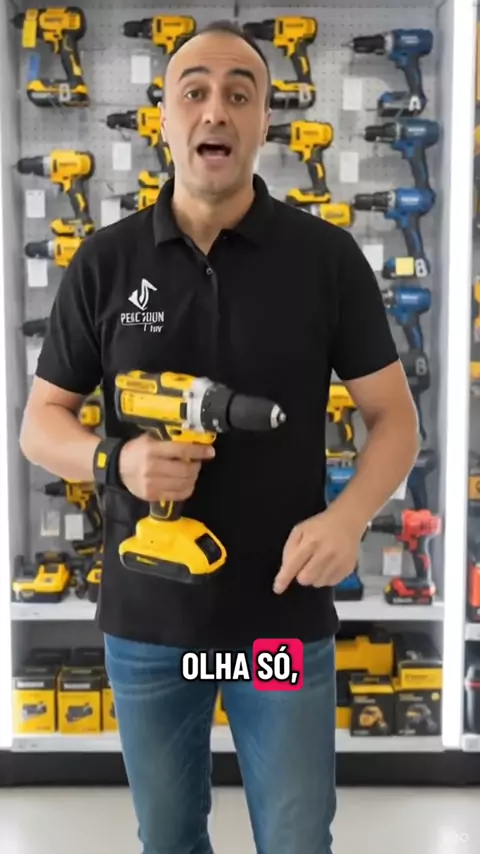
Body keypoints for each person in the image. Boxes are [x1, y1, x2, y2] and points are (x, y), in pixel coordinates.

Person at [19, 19, 419, 854]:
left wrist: (348, 518)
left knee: (297, 839)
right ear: (164, 116)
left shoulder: (326, 259)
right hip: (148, 621)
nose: (216, 110)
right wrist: (117, 459)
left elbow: (394, 420)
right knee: (168, 839)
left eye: (240, 93)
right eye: (194, 91)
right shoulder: (104, 262)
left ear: (264, 119)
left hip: (277, 620)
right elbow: (39, 426)